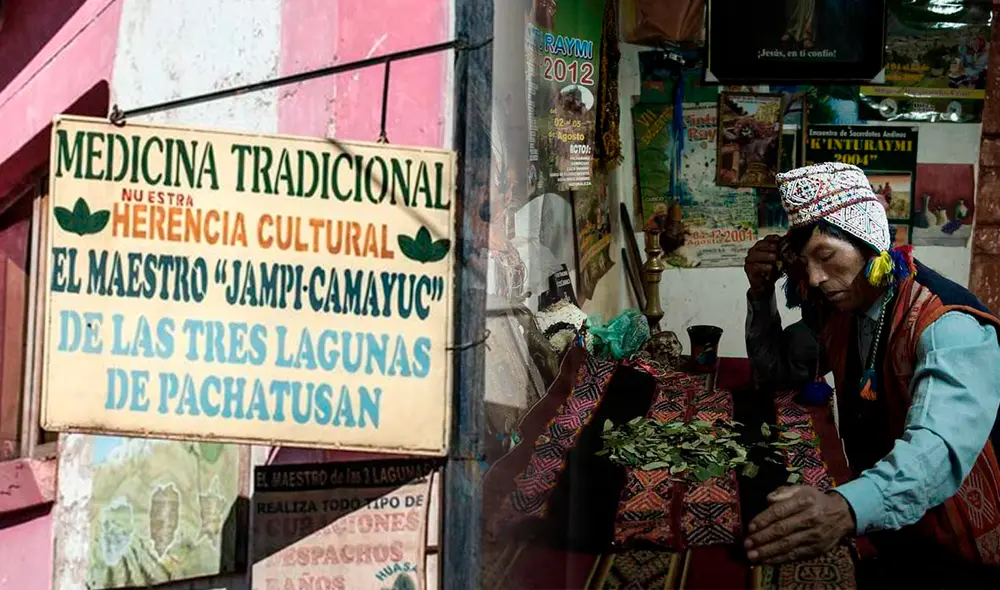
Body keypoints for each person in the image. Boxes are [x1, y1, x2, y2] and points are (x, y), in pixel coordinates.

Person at [741, 162, 1000, 586]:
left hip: (960, 545)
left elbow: (936, 451)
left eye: (826, 255)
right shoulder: (843, 310)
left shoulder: (947, 325)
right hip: (889, 528)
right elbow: (777, 373)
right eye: (805, 263)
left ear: (870, 240)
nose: (817, 278)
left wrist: (844, 509)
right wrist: (760, 292)